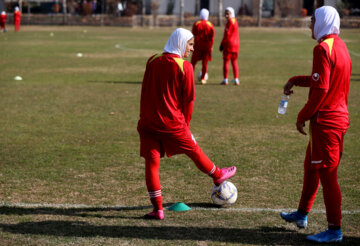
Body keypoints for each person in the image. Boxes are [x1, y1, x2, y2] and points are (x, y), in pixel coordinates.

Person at [137, 28, 237, 220]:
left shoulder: (152, 60)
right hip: (172, 123)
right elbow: (188, 100)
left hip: (147, 123)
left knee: (152, 165)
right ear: (181, 43)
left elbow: (145, 89)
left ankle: (158, 209)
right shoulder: (185, 67)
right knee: (193, 149)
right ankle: (217, 174)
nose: (191, 49)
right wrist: (187, 124)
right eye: (190, 45)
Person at [280, 6, 351, 243]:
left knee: (328, 175)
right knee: (311, 167)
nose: (310, 25)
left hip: (327, 123)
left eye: (312, 20)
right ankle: (301, 214)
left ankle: (334, 230)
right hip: (334, 120)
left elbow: (320, 90)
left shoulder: (322, 48)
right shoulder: (338, 45)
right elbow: (322, 80)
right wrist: (295, 80)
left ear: (323, 21)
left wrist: (301, 115)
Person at [191, 8, 214, 85]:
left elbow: (193, 35)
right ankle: (203, 78)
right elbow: (212, 37)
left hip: (197, 46)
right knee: (205, 63)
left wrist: (191, 44)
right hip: (207, 47)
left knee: (193, 63)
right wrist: (211, 46)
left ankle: (189, 77)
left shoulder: (197, 23)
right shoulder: (210, 25)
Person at [219, 7, 239, 85]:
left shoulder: (230, 22)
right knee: (234, 62)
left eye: (228, 14)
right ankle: (236, 79)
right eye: (225, 14)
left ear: (231, 13)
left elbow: (227, 34)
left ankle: (225, 79)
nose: (226, 15)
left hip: (229, 45)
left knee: (226, 62)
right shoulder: (235, 21)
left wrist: (222, 44)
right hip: (236, 45)